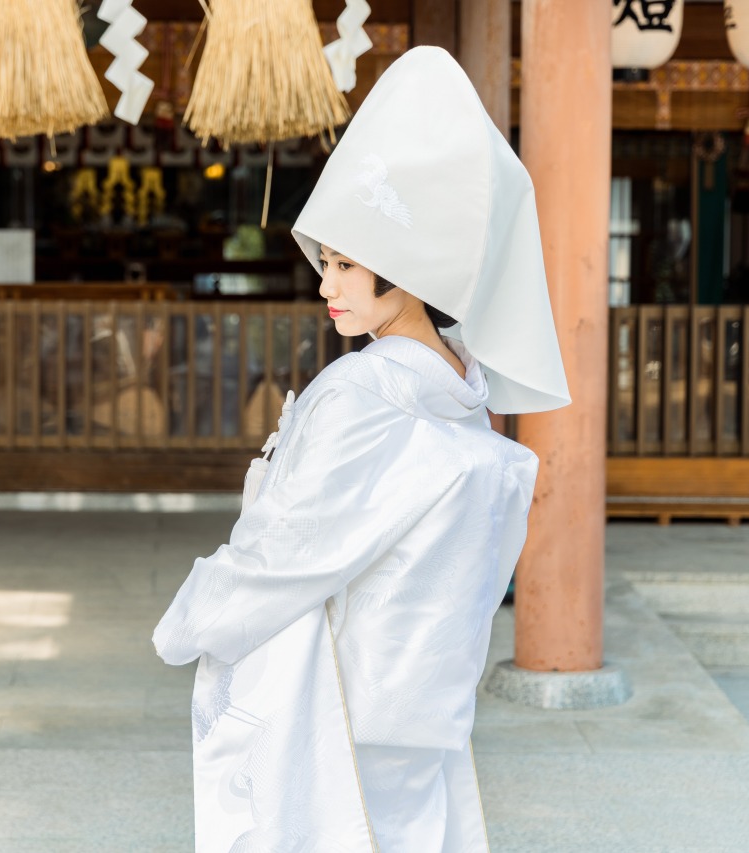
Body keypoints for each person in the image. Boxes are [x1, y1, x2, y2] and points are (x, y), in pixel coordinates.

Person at [152, 46, 571, 853]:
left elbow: (291, 551)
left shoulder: (361, 391)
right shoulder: (461, 391)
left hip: (344, 691)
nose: (325, 285)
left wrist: (195, 616)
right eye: (327, 263)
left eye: (344, 265)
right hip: (421, 689)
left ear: (406, 273)